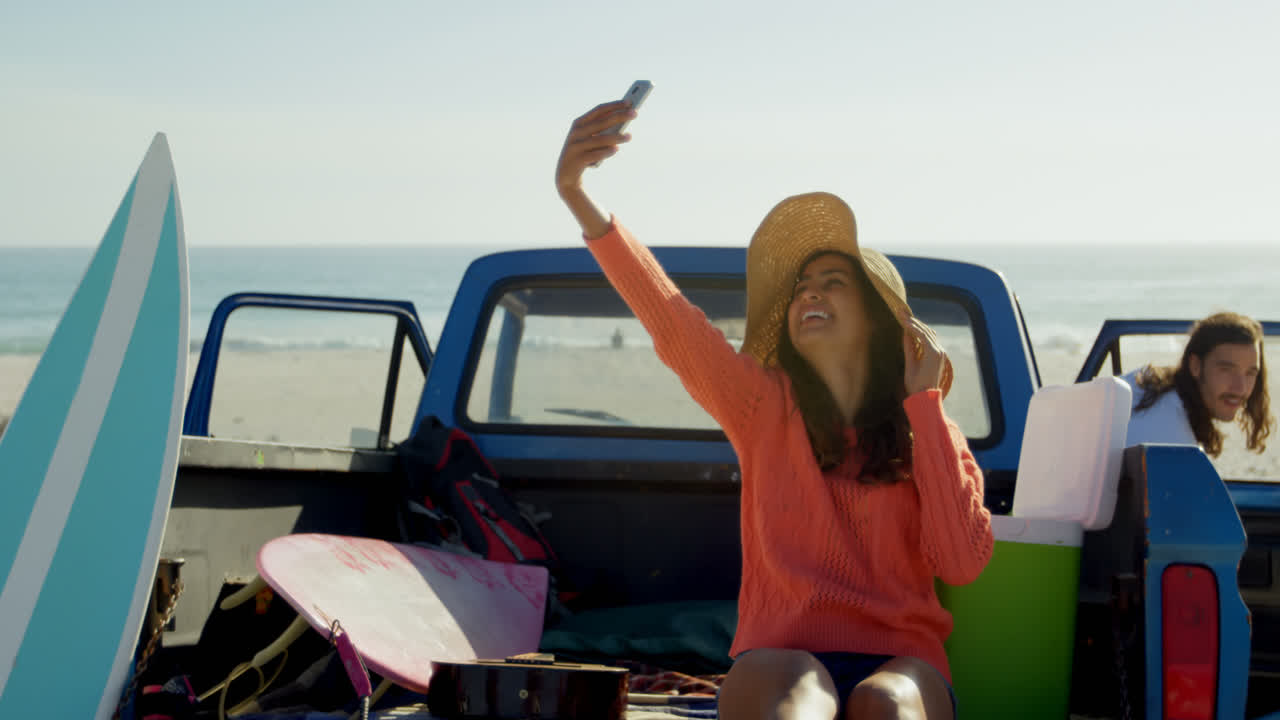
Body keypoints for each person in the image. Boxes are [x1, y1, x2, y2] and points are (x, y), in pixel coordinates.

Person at [554, 99, 993, 720]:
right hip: (781, 654)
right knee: (799, 700)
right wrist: (576, 193)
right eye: (802, 286)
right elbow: (672, 319)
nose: (810, 290)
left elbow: (961, 562)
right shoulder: (762, 405)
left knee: (885, 704)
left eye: (834, 280)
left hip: (901, 662)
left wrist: (925, 405)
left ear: (877, 320)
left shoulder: (931, 431)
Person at [1122, 311, 1272, 458]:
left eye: (1250, 373)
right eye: (1226, 370)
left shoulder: (1143, 383)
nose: (1241, 388)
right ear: (1195, 366)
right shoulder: (1174, 443)